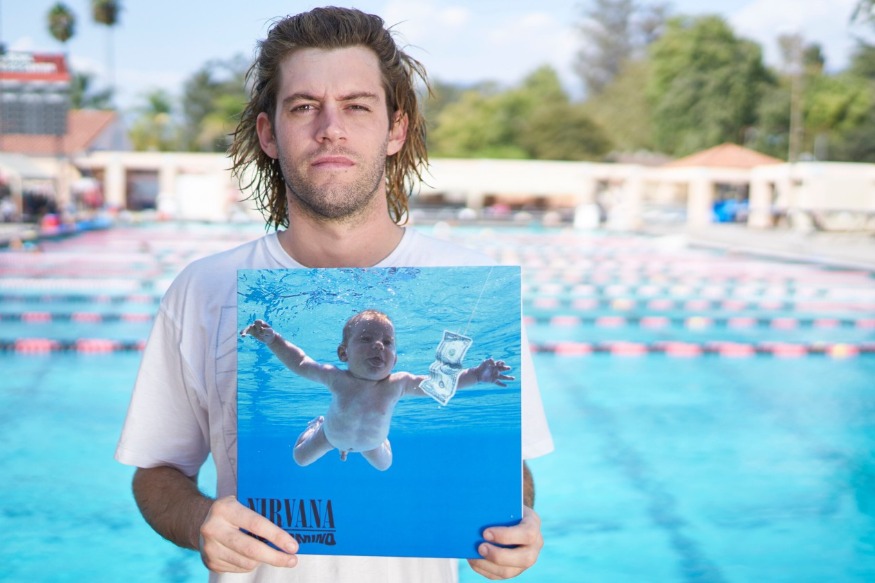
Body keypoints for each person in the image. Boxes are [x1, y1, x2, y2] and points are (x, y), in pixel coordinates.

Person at [115, 6, 553, 582]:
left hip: (372, 443)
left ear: (395, 129)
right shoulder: (202, 290)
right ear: (269, 133)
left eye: (356, 106)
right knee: (306, 453)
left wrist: (518, 521)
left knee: (383, 458)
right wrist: (201, 521)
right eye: (303, 107)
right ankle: (318, 438)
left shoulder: (477, 284)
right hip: (326, 434)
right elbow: (156, 473)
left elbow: (507, 470)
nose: (331, 129)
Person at [240, 311, 514, 471]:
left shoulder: (399, 383)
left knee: (385, 465)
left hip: (370, 443)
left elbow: (439, 384)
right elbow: (300, 362)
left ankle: (382, 440)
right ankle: (317, 425)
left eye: (387, 341)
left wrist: (476, 375)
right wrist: (272, 340)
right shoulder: (337, 378)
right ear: (343, 353)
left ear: (394, 360)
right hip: (330, 436)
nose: (379, 346)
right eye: (366, 339)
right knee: (299, 458)